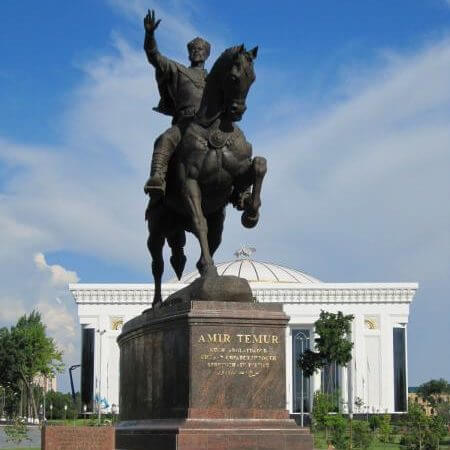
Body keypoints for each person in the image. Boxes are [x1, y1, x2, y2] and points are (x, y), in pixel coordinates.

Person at [143, 10, 211, 197]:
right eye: (194, 49)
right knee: (164, 139)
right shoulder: (178, 70)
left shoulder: (213, 80)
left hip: (210, 124)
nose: (197, 52)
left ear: (206, 55)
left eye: (201, 50)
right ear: (189, 54)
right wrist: (150, 35)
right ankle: (158, 177)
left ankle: (241, 191)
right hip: (185, 123)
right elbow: (154, 57)